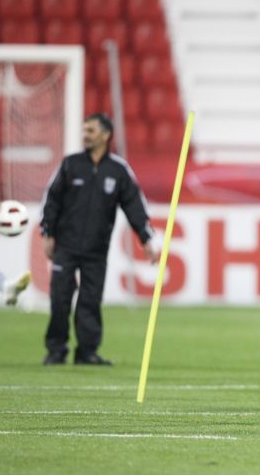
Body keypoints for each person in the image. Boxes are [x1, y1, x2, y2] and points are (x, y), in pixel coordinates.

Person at [40, 113, 158, 366]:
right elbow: (52, 199)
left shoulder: (118, 170)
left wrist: (146, 238)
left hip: (97, 249)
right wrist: (47, 233)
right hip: (65, 245)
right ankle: (56, 350)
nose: (86, 135)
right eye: (85, 130)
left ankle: (86, 352)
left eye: (91, 130)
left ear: (106, 135)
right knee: (60, 299)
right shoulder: (70, 164)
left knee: (90, 301)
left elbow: (134, 205)